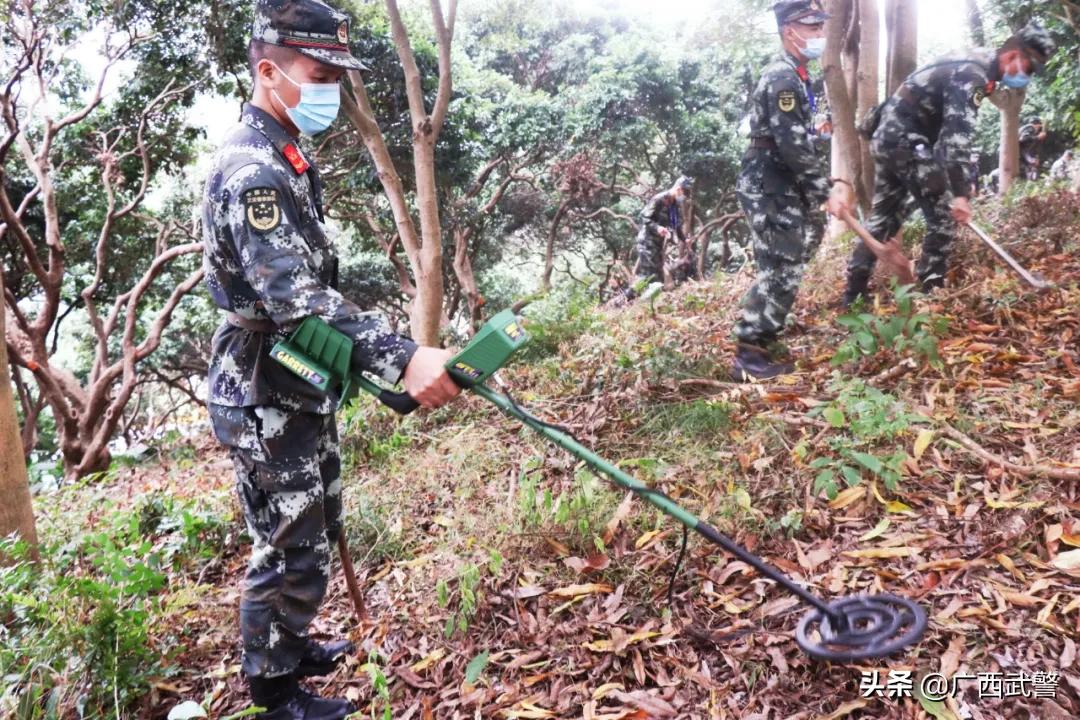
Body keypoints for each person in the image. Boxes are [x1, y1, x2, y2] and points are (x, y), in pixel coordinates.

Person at [200, 1, 461, 717]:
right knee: (286, 543)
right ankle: (275, 691)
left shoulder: (285, 148)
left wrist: (367, 367)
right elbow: (296, 298)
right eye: (319, 75)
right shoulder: (253, 170)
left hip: (296, 371)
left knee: (315, 519)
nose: (331, 93)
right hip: (263, 381)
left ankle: (293, 640)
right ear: (268, 71)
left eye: (337, 78)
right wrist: (401, 356)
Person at [842, 22, 1056, 305]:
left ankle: (853, 295)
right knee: (943, 214)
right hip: (906, 141)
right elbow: (955, 139)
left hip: (890, 139)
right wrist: (960, 195)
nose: (1026, 76)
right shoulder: (972, 73)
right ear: (1014, 54)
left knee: (883, 217)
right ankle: (931, 295)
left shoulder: (978, 65)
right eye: (1028, 68)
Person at [731, 0, 853, 380]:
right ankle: (749, 353)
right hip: (769, 185)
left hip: (779, 182)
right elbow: (790, 145)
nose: (820, 35)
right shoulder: (783, 77)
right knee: (780, 268)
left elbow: (795, 136)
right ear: (790, 31)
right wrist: (823, 191)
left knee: (789, 261)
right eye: (812, 28)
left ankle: (762, 338)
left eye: (820, 27)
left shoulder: (797, 75)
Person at [634, 176, 695, 289]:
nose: (684, 197)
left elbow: (676, 226)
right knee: (648, 276)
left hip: (657, 244)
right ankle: (623, 299)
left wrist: (684, 240)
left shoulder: (674, 206)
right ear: (678, 189)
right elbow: (644, 217)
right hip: (647, 242)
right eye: (684, 193)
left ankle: (648, 302)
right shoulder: (659, 199)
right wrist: (657, 228)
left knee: (658, 277)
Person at [1018, 116, 1047, 181]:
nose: (1039, 128)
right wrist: (1038, 137)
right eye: (1039, 126)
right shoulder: (1030, 127)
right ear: (1037, 125)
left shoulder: (1023, 128)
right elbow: (1023, 139)